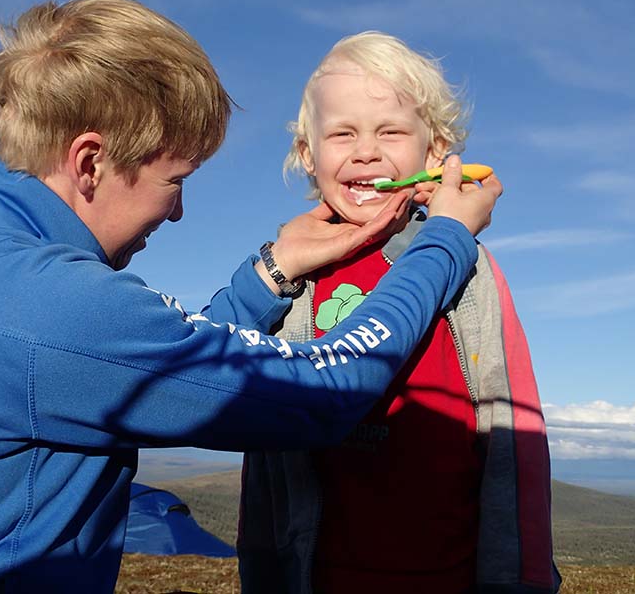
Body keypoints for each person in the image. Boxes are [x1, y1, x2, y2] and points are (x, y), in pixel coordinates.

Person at [0, 0, 500, 594]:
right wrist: (443, 240)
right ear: (91, 161)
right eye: (176, 180)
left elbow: (139, 364)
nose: (178, 213)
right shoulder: (50, 306)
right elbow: (327, 391)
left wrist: (273, 271)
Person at [237, 32, 559, 594]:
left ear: (434, 154)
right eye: (342, 134)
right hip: (314, 574)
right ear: (309, 156)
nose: (366, 151)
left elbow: (514, 424)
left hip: (449, 576)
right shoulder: (291, 268)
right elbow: (258, 445)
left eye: (390, 131)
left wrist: (523, 577)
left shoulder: (469, 266)